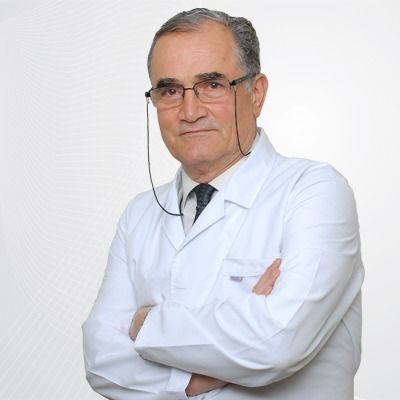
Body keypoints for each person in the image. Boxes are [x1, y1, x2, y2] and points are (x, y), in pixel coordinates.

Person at [82, 8, 364, 400]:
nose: (189, 111)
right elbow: (100, 359)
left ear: (256, 93)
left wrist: (144, 324)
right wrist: (193, 381)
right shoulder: (139, 214)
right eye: (170, 90)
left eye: (211, 84)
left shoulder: (314, 192)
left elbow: (277, 343)